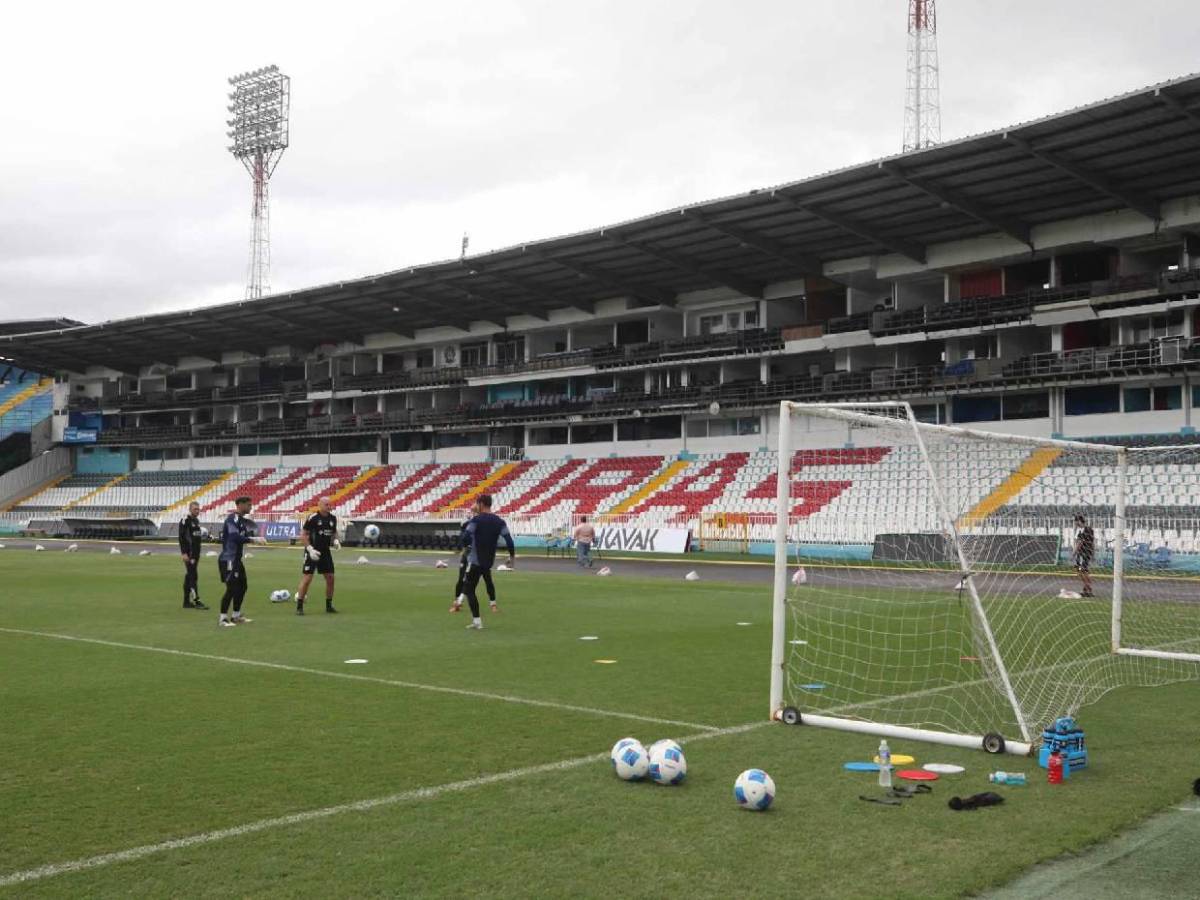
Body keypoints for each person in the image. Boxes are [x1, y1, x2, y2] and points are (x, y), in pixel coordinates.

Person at [452, 494, 515, 630]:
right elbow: (509, 539)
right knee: (487, 582)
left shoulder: (476, 520)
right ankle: (491, 605)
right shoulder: (500, 522)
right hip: (488, 561)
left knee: (469, 590)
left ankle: (477, 621)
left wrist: (467, 544)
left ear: (480, 504)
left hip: (475, 560)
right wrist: (512, 557)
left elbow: (466, 537)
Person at [217, 496, 264, 627]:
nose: (250, 507)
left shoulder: (242, 521)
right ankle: (223, 618)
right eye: (249, 505)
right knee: (231, 588)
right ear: (240, 504)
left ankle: (236, 616)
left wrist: (252, 538)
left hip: (237, 560)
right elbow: (233, 536)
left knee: (243, 586)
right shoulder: (233, 519)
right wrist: (252, 540)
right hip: (228, 559)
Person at [296, 496, 341, 615]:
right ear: (320, 505)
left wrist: (336, 541)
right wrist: (310, 549)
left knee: (331, 578)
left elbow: (334, 532)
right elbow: (303, 534)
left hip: (325, 551)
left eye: (330, 504)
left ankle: (329, 605)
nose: (329, 507)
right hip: (312, 551)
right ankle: (299, 607)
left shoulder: (332, 518)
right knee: (307, 578)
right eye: (326, 505)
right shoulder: (313, 518)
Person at [178, 501, 209, 610]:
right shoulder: (185, 521)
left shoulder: (196, 521)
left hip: (196, 554)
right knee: (193, 576)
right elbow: (182, 537)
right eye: (195, 509)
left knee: (189, 577)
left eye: (198, 509)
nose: (197, 510)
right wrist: (184, 553)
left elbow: (196, 537)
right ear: (190, 509)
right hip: (189, 554)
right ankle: (196, 601)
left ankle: (186, 602)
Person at [1073, 514, 1095, 598]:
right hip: (1086, 553)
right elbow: (1093, 542)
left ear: (1079, 521)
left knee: (1082, 571)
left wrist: (1074, 553)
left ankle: (1088, 589)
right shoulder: (1089, 530)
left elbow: (1080, 542)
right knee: (1082, 571)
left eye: (1075, 522)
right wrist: (1093, 553)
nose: (1075, 524)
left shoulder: (1084, 530)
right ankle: (1086, 589)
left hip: (1083, 553)